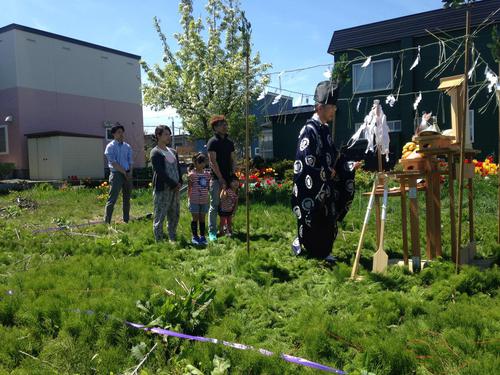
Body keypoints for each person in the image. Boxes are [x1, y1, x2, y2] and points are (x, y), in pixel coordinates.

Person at [291, 81, 360, 263]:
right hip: (312, 185)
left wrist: (348, 166)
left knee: (328, 218)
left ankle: (324, 250)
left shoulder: (325, 130)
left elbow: (334, 155)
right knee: (313, 218)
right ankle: (310, 247)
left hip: (326, 184)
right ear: (319, 107)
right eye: (331, 107)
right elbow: (306, 160)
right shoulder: (309, 130)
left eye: (335, 107)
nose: (334, 111)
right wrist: (323, 171)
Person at [150, 125, 183, 242]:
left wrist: (180, 182)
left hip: (175, 189)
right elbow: (160, 172)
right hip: (163, 189)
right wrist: (173, 184)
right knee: (160, 214)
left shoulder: (173, 151)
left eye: (169, 134)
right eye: (166, 134)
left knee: (174, 214)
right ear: (158, 136)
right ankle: (159, 239)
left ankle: (172, 237)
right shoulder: (155, 152)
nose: (169, 137)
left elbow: (178, 168)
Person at [207, 115, 236, 241]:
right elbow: (213, 162)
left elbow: (233, 159)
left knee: (229, 204)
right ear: (215, 127)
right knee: (215, 205)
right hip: (216, 179)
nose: (225, 126)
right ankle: (212, 231)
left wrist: (233, 175)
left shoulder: (229, 142)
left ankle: (226, 228)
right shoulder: (212, 142)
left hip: (229, 178)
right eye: (222, 124)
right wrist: (220, 178)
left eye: (225, 124)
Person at [104, 123, 133, 224]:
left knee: (127, 198)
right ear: (114, 134)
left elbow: (130, 161)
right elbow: (113, 162)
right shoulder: (110, 146)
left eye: (122, 132)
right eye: (118, 132)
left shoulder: (127, 146)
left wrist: (129, 172)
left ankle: (126, 220)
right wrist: (124, 172)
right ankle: (107, 221)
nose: (121, 134)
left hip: (127, 174)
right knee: (112, 198)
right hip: (116, 174)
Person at [188, 153, 211, 245]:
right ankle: (194, 236)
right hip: (194, 200)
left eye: (203, 162)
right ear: (195, 163)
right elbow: (189, 188)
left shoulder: (207, 174)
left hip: (204, 200)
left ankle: (202, 236)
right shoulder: (192, 175)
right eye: (199, 162)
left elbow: (208, 187)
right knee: (195, 218)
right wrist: (189, 199)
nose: (202, 164)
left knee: (202, 218)